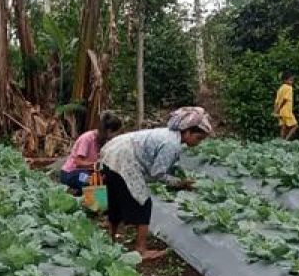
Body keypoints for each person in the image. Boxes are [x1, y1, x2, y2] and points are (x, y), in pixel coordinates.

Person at [98, 107, 214, 261]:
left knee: (116, 200)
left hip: (112, 151)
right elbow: (157, 173)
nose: (198, 142)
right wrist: (179, 183)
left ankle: (109, 240)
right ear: (186, 132)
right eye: (198, 138)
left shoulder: (168, 134)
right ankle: (141, 250)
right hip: (124, 159)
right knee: (144, 203)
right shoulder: (171, 144)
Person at [59, 111, 123, 195]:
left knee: (110, 180)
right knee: (92, 181)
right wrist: (97, 165)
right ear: (109, 131)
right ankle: (92, 205)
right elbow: (78, 162)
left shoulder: (104, 142)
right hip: (71, 173)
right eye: (116, 132)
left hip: (89, 172)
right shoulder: (87, 138)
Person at [275, 71, 298, 140]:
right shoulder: (289, 88)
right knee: (295, 126)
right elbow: (285, 99)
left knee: (283, 127)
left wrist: (276, 111)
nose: (292, 82)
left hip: (281, 111)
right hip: (287, 110)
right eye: (290, 80)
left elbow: (276, 101)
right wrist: (279, 109)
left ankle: (281, 140)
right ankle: (286, 140)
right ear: (285, 80)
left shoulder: (281, 88)